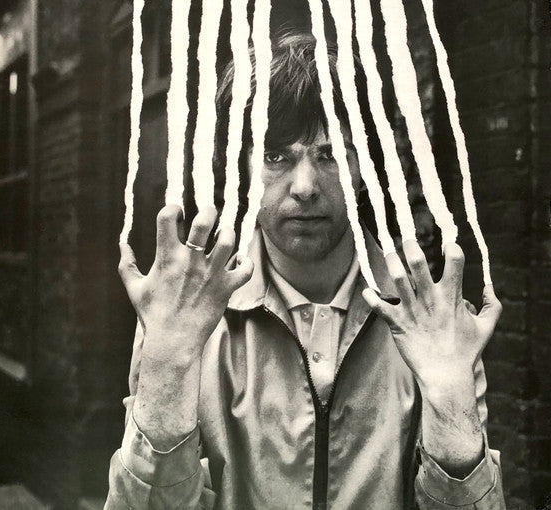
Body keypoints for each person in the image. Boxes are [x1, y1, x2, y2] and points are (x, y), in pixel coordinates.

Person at [104, 33, 506, 509]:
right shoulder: (184, 317)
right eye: (275, 156)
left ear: (363, 170)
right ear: (240, 170)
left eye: (330, 154)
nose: (305, 187)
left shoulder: (432, 324)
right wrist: (167, 369)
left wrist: (451, 414)